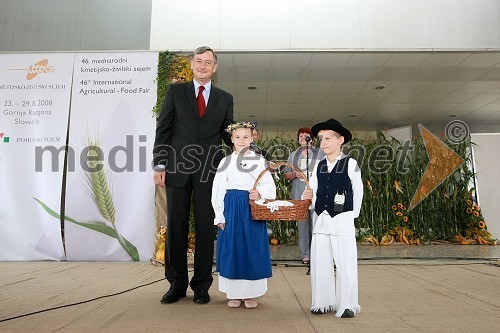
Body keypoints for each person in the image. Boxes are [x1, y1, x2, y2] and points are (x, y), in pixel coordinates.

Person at [153, 46, 234, 305]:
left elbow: (226, 134)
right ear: (191, 65)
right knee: (176, 227)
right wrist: (160, 165)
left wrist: (246, 147)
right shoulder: (176, 92)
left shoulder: (225, 98)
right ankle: (176, 286)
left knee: (204, 229)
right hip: (177, 169)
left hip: (210, 172)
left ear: (215, 67)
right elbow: (164, 128)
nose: (202, 65)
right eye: (198, 61)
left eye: (207, 62)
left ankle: (201, 286)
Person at [302, 118, 363, 318]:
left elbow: (358, 192)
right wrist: (308, 199)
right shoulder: (319, 166)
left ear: (340, 140)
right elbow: (312, 193)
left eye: (328, 138)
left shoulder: (350, 163)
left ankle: (347, 305)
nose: (324, 143)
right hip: (321, 219)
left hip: (342, 220)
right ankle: (323, 302)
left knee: (345, 263)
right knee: (321, 263)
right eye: (321, 139)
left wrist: (349, 217)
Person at [212, 121, 276, 309]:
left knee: (251, 248)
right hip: (231, 208)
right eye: (237, 137)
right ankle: (234, 293)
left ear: (252, 138)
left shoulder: (259, 161)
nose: (241, 140)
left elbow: (269, 187)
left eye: (245, 137)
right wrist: (219, 215)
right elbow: (218, 190)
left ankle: (250, 294)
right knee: (232, 248)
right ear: (231, 139)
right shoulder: (225, 162)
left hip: (251, 208)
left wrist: (260, 194)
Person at [284, 127, 324, 264]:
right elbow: (286, 175)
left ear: (312, 139)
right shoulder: (293, 155)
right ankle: (306, 255)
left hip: (316, 194)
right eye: (300, 136)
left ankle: (318, 253)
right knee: (302, 225)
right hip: (299, 193)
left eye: (306, 135)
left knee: (317, 224)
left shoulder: (320, 153)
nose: (303, 137)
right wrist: (295, 174)